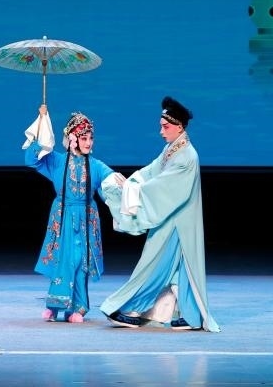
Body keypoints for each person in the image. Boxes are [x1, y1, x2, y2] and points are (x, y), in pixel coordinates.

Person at [99, 96, 221, 332]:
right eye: (161, 126)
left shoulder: (187, 157)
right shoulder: (172, 150)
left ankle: (127, 309)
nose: (161, 132)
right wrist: (131, 181)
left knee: (154, 266)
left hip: (177, 223)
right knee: (177, 270)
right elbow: (152, 171)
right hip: (171, 220)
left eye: (165, 127)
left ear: (180, 126)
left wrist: (133, 190)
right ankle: (191, 316)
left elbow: (163, 187)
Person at [23, 104, 125, 323]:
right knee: (63, 258)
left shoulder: (96, 165)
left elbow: (110, 181)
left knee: (81, 260)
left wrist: (123, 183)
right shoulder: (57, 161)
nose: (89, 143)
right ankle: (55, 305)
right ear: (72, 138)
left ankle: (78, 308)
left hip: (86, 216)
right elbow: (31, 159)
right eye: (84, 138)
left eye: (91, 138)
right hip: (63, 215)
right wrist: (42, 127)